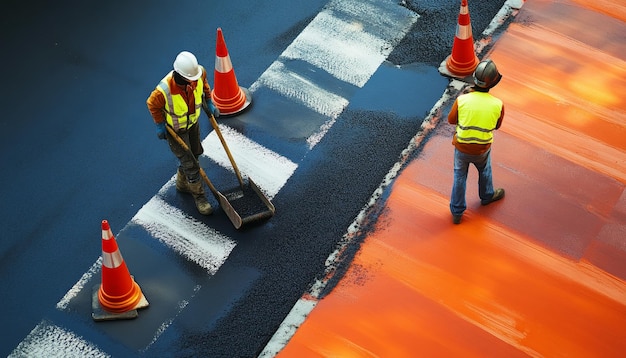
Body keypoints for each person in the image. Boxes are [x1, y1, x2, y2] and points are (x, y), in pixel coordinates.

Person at [147, 51, 220, 215]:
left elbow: (204, 86)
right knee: (191, 164)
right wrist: (160, 125)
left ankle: (182, 183)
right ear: (180, 75)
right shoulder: (163, 90)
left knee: (195, 153)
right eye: (190, 79)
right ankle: (199, 197)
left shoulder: (198, 73)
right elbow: (152, 104)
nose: (194, 81)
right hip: (176, 130)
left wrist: (209, 101)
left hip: (193, 123)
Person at [448, 59, 505, 224]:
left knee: (459, 176)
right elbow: (497, 125)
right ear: (492, 84)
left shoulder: (463, 100)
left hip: (462, 147)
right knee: (485, 170)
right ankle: (487, 195)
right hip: (482, 148)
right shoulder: (498, 104)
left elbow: (451, 120)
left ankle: (457, 212)